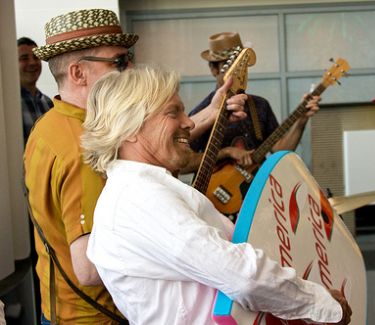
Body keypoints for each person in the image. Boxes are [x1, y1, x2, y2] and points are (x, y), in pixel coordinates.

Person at [24, 9, 246, 324]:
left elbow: (141, 144)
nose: (130, 69)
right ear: (77, 73)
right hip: (97, 317)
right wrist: (177, 245)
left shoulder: (52, 126)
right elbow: (88, 268)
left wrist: (211, 112)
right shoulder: (82, 149)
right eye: (119, 62)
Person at [81, 66, 352, 325]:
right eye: (173, 112)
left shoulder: (140, 191)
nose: (188, 122)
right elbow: (241, 275)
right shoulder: (140, 198)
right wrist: (321, 303)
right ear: (130, 128)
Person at [184, 32, 320, 173]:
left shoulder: (260, 105)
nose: (236, 70)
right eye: (229, 64)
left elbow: (281, 150)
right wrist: (226, 152)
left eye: (240, 63)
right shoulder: (201, 113)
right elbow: (184, 165)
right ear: (214, 69)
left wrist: (302, 120)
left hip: (257, 190)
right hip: (215, 192)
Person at [18, 37, 53, 143]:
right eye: (24, 58)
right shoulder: (7, 106)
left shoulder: (48, 103)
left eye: (36, 57)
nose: (32, 63)